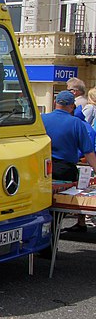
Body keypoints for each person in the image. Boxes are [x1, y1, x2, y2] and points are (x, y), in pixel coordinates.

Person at [42, 90, 96, 232]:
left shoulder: (42, 120)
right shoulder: (76, 123)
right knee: (58, 207)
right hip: (65, 170)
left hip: (42, 168)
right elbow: (88, 152)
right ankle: (51, 237)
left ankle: (42, 238)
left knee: (42, 205)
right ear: (72, 106)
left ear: (55, 103)